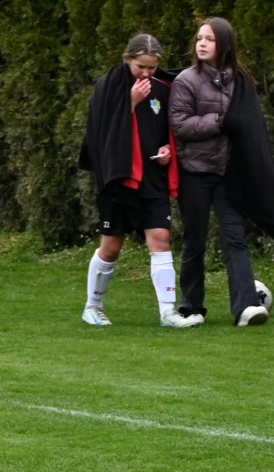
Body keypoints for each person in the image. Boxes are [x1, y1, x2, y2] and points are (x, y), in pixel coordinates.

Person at [169, 17, 274, 327]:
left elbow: (250, 126)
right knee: (194, 240)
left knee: (235, 238)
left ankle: (246, 307)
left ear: (224, 44)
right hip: (195, 171)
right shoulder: (185, 81)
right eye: (199, 38)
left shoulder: (241, 82)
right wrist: (219, 121)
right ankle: (191, 307)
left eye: (209, 39)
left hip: (229, 173)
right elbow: (180, 124)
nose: (202, 43)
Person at [78, 34, 193, 328]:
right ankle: (93, 306)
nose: (146, 73)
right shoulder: (109, 86)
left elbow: (166, 131)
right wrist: (130, 102)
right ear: (128, 59)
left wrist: (167, 150)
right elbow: (99, 133)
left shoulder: (162, 89)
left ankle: (167, 313)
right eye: (141, 66)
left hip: (152, 179)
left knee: (161, 238)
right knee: (111, 247)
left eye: (152, 67)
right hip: (118, 181)